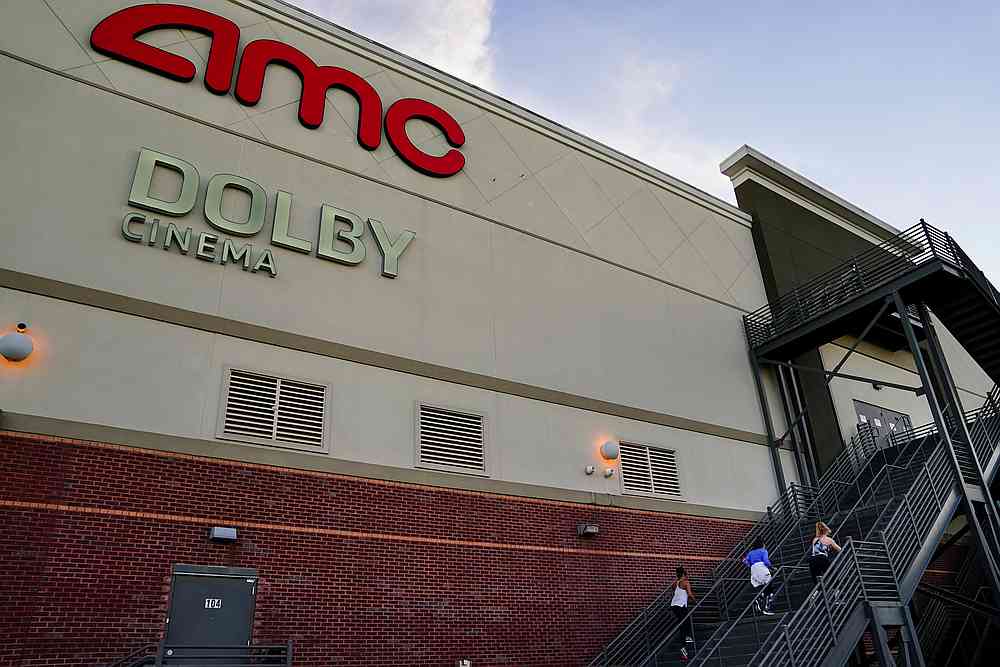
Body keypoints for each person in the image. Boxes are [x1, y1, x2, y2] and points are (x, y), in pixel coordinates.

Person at [743, 537, 777, 615]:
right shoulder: (763, 551)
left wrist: (750, 565)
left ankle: (758, 599)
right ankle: (766, 608)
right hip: (762, 568)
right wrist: (772, 567)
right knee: (769, 588)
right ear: (763, 544)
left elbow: (744, 560)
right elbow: (766, 561)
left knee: (761, 587)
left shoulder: (751, 552)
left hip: (754, 569)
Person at [670, 566, 695, 661]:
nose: (687, 576)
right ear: (684, 574)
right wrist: (695, 601)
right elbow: (689, 594)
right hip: (681, 606)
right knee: (685, 623)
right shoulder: (686, 582)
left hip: (674, 606)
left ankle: (685, 641)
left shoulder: (674, 584)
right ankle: (685, 642)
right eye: (686, 574)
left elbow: (676, 592)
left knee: (683, 624)